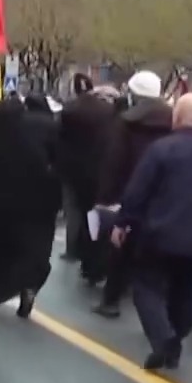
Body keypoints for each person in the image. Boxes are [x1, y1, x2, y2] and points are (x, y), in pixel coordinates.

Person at [110, 93, 192, 370]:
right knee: (186, 292)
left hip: (159, 234)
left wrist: (123, 222)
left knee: (146, 288)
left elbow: (138, 191)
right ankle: (175, 342)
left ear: (177, 116)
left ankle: (164, 339)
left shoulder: (161, 150)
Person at [0, 94, 62, 317]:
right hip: (31, 203)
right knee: (28, 249)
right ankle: (28, 284)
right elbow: (56, 166)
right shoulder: (40, 136)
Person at [93, 70, 173, 318]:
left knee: (121, 249)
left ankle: (111, 301)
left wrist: (106, 196)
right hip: (166, 195)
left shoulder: (126, 123)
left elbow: (114, 161)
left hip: (131, 192)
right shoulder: (175, 122)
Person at [57, 73, 116, 269]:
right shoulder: (107, 110)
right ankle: (91, 251)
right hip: (98, 167)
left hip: (72, 169)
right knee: (93, 211)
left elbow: (61, 138)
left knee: (73, 210)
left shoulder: (69, 110)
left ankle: (72, 249)